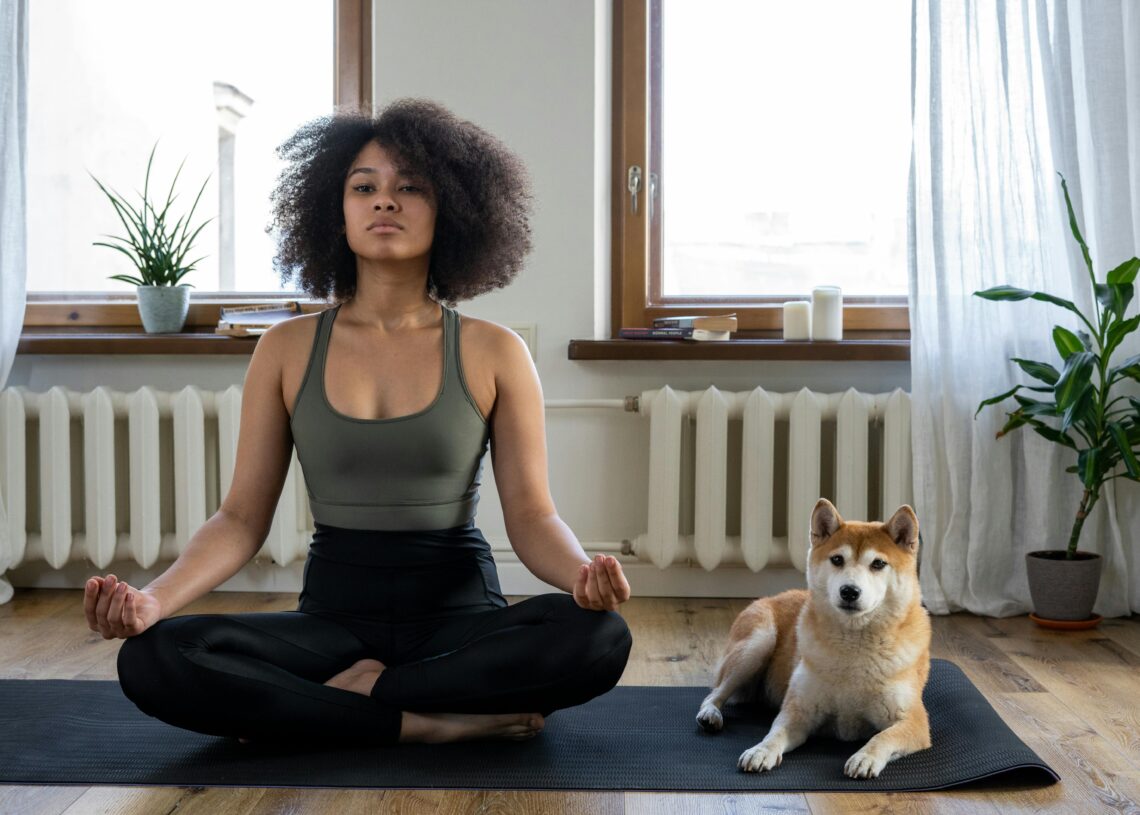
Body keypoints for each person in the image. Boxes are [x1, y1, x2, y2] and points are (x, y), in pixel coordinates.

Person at [82, 99, 633, 746]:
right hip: (332, 622)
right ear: (334, 211)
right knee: (154, 656)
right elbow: (239, 520)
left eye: (410, 187)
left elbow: (534, 516)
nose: (384, 202)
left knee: (599, 637)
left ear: (450, 207)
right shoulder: (284, 349)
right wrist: (152, 601)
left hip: (457, 619)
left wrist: (579, 578)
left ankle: (351, 701)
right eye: (364, 187)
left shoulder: (494, 350)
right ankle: (419, 720)